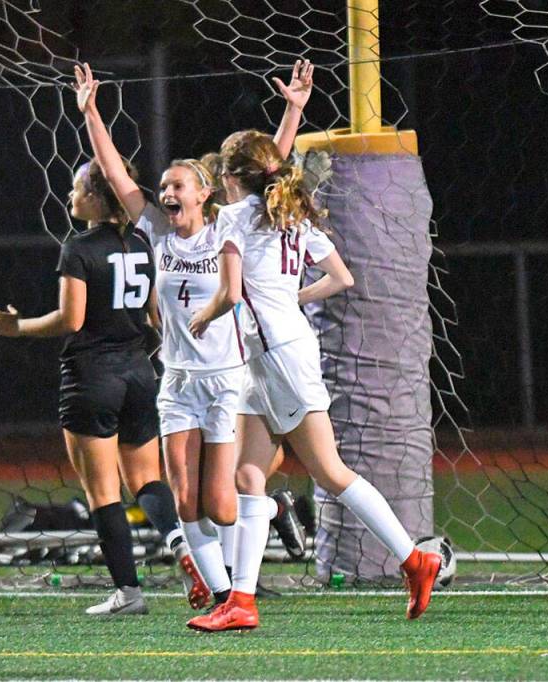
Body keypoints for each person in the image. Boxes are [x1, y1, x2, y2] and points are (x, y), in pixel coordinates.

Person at [74, 61, 313, 612]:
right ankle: (225, 595)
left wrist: (293, 111)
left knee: (221, 505)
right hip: (179, 381)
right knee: (185, 499)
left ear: (205, 193)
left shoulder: (229, 225)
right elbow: (115, 174)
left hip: (228, 380)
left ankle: (272, 511)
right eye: (163, 187)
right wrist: (91, 113)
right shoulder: (156, 230)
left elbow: (267, 172)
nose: (166, 192)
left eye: (177, 185)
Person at [186, 129, 443, 631]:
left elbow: (232, 293)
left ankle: (414, 559)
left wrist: (203, 317)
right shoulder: (290, 214)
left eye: (223, 172)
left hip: (278, 358)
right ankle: (241, 600)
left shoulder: (237, 217)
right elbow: (341, 278)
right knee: (248, 476)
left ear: (234, 178)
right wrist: (291, 302)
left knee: (330, 472)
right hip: (272, 356)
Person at [0, 158, 199, 616]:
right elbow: (156, 316)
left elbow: (71, 320)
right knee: (146, 480)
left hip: (91, 377)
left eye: (77, 188)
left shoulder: (78, 248)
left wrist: (18, 326)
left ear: (98, 198)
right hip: (140, 374)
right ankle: (182, 544)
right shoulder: (144, 241)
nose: (70, 196)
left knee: (103, 492)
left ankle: (129, 594)